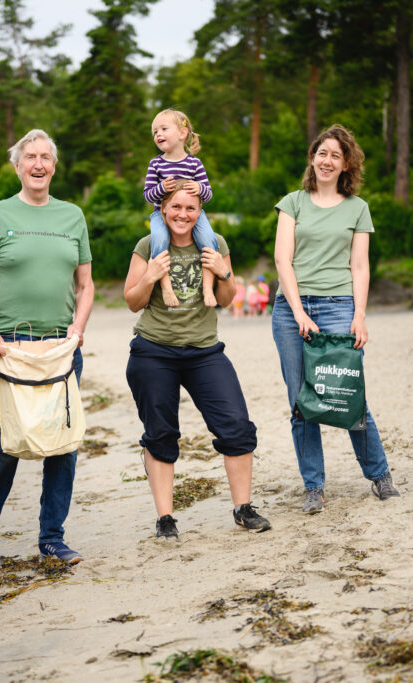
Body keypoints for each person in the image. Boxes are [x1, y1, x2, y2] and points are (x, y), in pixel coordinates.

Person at [0, 129, 94, 571]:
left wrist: (77, 329)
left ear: (54, 166)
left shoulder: (73, 215)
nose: (38, 164)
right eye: (30, 157)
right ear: (17, 165)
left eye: (46, 157)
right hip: (9, 349)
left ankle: (52, 538)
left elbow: (86, 284)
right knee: (5, 445)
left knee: (63, 445)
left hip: (61, 347)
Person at [124, 180, 271, 539]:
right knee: (160, 434)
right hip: (153, 351)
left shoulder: (215, 243)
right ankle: (165, 519)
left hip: (205, 351)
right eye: (176, 207)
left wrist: (222, 271)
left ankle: (243, 508)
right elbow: (132, 300)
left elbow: (226, 298)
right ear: (162, 209)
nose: (183, 214)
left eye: (191, 208)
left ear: (199, 212)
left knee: (236, 426)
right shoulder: (147, 246)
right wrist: (150, 277)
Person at [271, 124, 399, 515]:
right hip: (291, 310)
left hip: (340, 306)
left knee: (347, 394)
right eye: (322, 153)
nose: (327, 161)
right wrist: (297, 313)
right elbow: (282, 260)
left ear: (347, 165)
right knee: (301, 401)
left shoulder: (357, 208)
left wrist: (359, 316)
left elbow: (360, 267)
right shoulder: (292, 202)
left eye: (336, 156)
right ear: (313, 157)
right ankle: (314, 487)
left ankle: (379, 476)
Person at [144, 109, 218, 308]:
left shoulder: (194, 163)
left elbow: (208, 195)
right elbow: (148, 195)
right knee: (159, 240)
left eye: (164, 129)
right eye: (155, 132)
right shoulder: (156, 164)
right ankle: (166, 286)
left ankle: (208, 287)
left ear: (182, 133)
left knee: (209, 239)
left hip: (192, 214)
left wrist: (199, 188)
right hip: (161, 213)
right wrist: (161, 189)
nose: (158, 134)